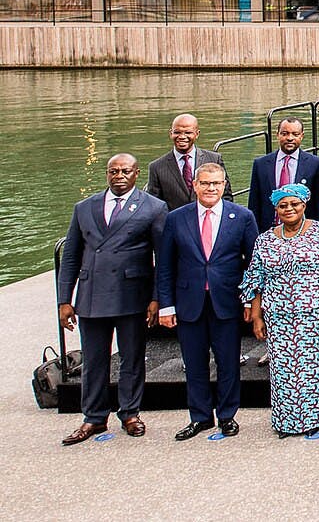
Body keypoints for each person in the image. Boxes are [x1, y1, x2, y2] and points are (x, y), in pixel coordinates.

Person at [57, 154, 165, 445]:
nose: (119, 175)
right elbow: (70, 257)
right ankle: (93, 417)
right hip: (91, 295)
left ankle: (130, 412)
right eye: (113, 171)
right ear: (107, 174)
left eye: (125, 171)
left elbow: (162, 257)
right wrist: (64, 300)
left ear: (136, 173)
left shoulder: (154, 207)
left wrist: (157, 298)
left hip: (132, 294)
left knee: (131, 358)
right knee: (94, 360)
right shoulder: (84, 207)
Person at [156, 163, 256, 441]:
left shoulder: (242, 217)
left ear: (224, 185)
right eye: (206, 183)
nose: (211, 188)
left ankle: (227, 415)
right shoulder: (177, 218)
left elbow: (253, 264)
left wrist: (250, 301)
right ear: (195, 185)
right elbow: (165, 266)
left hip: (227, 300)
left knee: (228, 362)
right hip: (189, 300)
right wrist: (166, 305)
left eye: (217, 184)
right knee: (195, 362)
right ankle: (200, 416)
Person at [241, 184, 319, 438]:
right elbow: (256, 279)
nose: (289, 209)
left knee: (312, 367)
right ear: (276, 209)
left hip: (312, 313)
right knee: (283, 371)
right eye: (283, 205)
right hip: (278, 316)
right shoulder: (265, 240)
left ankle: (316, 416)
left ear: (304, 205)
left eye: (294, 204)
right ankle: (287, 422)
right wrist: (257, 316)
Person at [248, 117, 319, 232]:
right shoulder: (261, 164)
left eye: (295, 134)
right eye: (285, 133)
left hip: (304, 231)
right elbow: (254, 203)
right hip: (269, 230)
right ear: (277, 135)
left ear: (301, 136)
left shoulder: (316, 164)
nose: (290, 138)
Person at [146, 113, 232, 211]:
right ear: (171, 133)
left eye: (188, 132)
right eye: (177, 132)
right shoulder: (157, 167)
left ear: (197, 134)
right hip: (176, 223)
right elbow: (154, 205)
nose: (182, 136)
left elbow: (226, 195)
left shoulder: (214, 159)